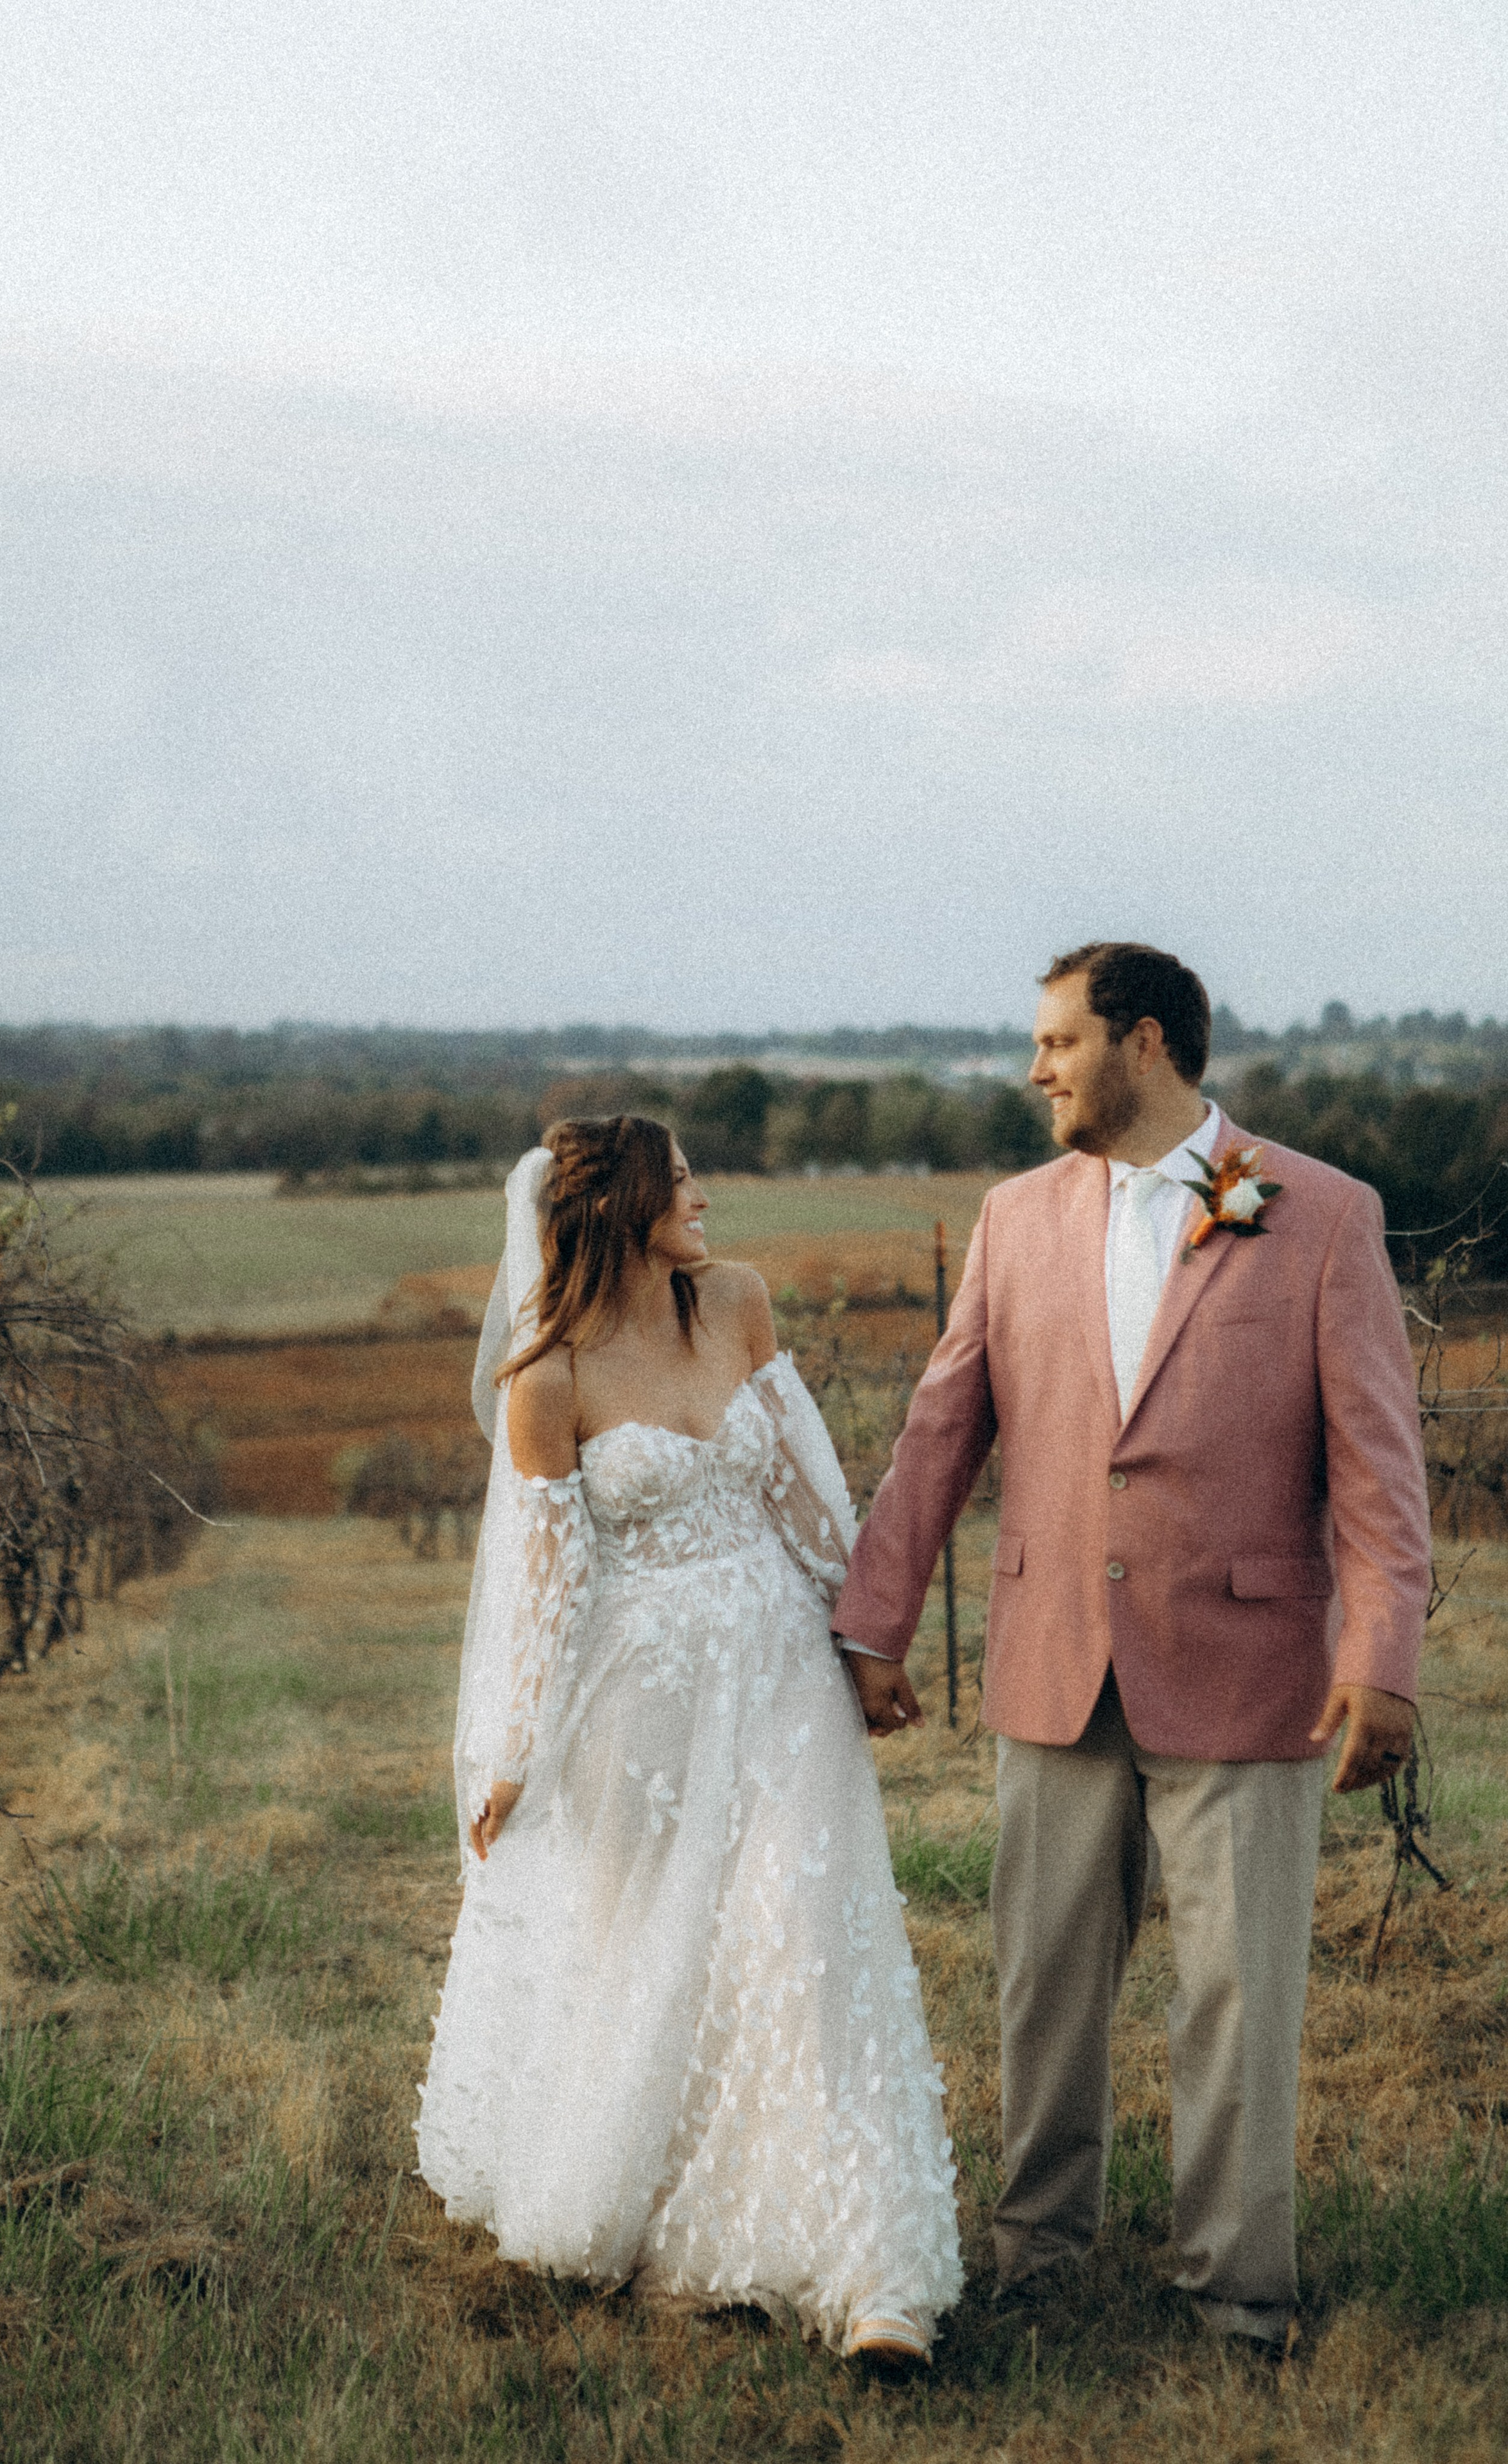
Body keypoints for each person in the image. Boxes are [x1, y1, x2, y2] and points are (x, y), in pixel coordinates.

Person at [833, 943, 1429, 2349]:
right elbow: (938, 1432)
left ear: (1143, 1044)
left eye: (1054, 1041)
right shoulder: (1011, 1216)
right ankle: (1035, 2256)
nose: (1031, 1068)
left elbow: (1377, 1469)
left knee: (1236, 1996)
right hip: (1052, 1655)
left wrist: (1381, 1653)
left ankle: (1238, 2295)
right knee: (1042, 1982)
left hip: (1248, 1661)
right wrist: (873, 1620)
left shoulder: (1324, 1216)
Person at [416, 1115, 962, 2361]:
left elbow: (803, 1488)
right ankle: (677, 2214)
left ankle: (874, 2274)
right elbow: (544, 1586)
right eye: (678, 1179)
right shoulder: (543, 1380)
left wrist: (864, 1643)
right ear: (615, 1203)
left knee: (802, 1938)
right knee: (648, 1954)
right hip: (635, 1701)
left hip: (778, 1673)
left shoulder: (737, 1302)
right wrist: (513, 1752)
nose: (701, 1195)